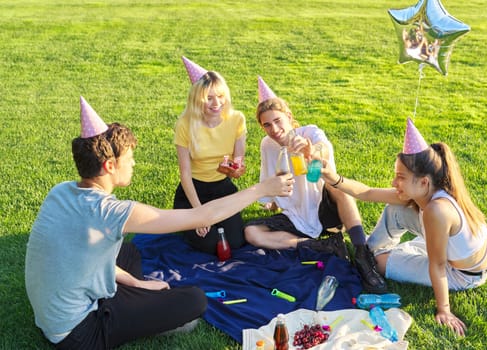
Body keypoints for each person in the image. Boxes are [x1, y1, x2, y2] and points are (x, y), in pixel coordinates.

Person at [24, 96, 293, 350]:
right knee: (194, 300)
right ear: (109, 166)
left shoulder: (61, 191)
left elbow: (85, 254)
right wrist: (262, 189)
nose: (134, 163)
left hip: (55, 312)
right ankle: (140, 312)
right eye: (129, 159)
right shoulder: (109, 212)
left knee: (128, 252)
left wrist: (139, 285)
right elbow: (203, 217)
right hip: (79, 333)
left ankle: (134, 299)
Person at [321, 118, 487, 336]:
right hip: (462, 249)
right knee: (396, 208)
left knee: (380, 263)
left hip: (464, 273)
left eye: (400, 177)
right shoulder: (431, 189)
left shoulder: (436, 211)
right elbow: (366, 193)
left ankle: (373, 258)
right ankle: (366, 253)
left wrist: (444, 310)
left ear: (423, 182)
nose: (394, 183)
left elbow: (439, 265)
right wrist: (332, 177)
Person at [244, 77, 387, 294]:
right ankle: (322, 246)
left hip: (325, 209)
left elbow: (324, 150)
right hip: (295, 213)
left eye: (278, 121)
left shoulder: (309, 133)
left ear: (289, 118)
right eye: (267, 124)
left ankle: (361, 253)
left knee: (337, 186)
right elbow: (269, 176)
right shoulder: (267, 145)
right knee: (251, 232)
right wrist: (272, 203)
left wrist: (310, 150)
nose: (274, 129)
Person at [173, 56, 247, 254]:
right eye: (209, 98)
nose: (217, 103)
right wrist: (199, 213)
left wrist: (235, 169)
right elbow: (185, 174)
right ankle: (190, 222)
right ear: (197, 100)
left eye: (221, 96)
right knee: (211, 244)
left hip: (222, 189)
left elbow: (238, 165)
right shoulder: (185, 124)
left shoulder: (236, 119)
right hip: (193, 192)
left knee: (235, 243)